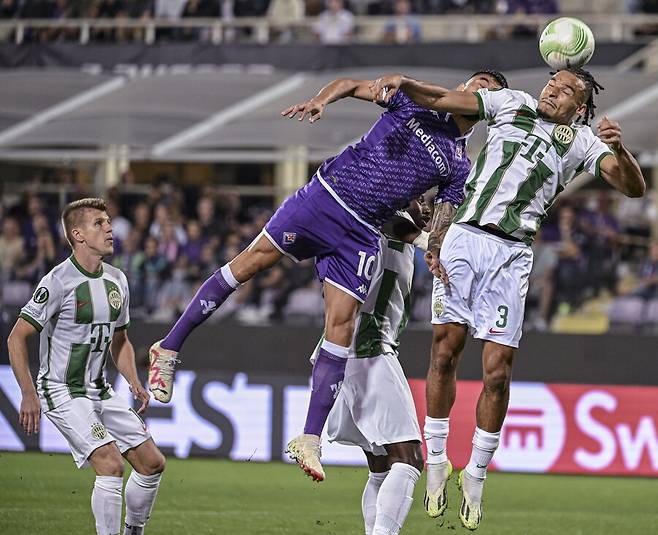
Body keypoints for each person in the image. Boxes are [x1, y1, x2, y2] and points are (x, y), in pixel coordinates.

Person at [148, 69, 509, 482]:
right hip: (327, 197)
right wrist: (322, 99)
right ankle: (169, 347)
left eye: (489, 92)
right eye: (476, 82)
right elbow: (352, 85)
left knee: (341, 328)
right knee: (249, 263)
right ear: (464, 88)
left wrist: (438, 244)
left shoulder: (460, 164)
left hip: (362, 233)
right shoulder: (414, 101)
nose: (476, 90)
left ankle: (309, 438)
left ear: (489, 109)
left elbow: (442, 216)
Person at [370, 68, 645, 529]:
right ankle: (436, 458)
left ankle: (476, 472)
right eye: (551, 82)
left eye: (565, 90)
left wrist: (619, 147)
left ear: (580, 108)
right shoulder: (511, 103)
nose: (552, 90)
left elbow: (633, 186)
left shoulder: (582, 143)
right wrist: (409, 86)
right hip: (462, 239)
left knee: (496, 371)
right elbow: (446, 99)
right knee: (444, 350)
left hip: (512, 254)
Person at [7, 198, 166, 535]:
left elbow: (120, 340)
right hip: (62, 390)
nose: (109, 228)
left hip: (100, 390)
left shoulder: (118, 280)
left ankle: (133, 531)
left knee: (152, 463)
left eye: (108, 221)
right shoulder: (57, 281)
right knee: (109, 464)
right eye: (99, 223)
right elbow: (16, 338)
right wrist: (27, 393)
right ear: (77, 234)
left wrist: (134, 382)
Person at [316, 198, 430, 535]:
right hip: (368, 350)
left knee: (380, 466)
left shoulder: (374, 229)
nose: (426, 206)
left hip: (346, 353)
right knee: (409, 460)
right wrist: (437, 237)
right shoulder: (386, 224)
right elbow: (401, 223)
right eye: (420, 198)